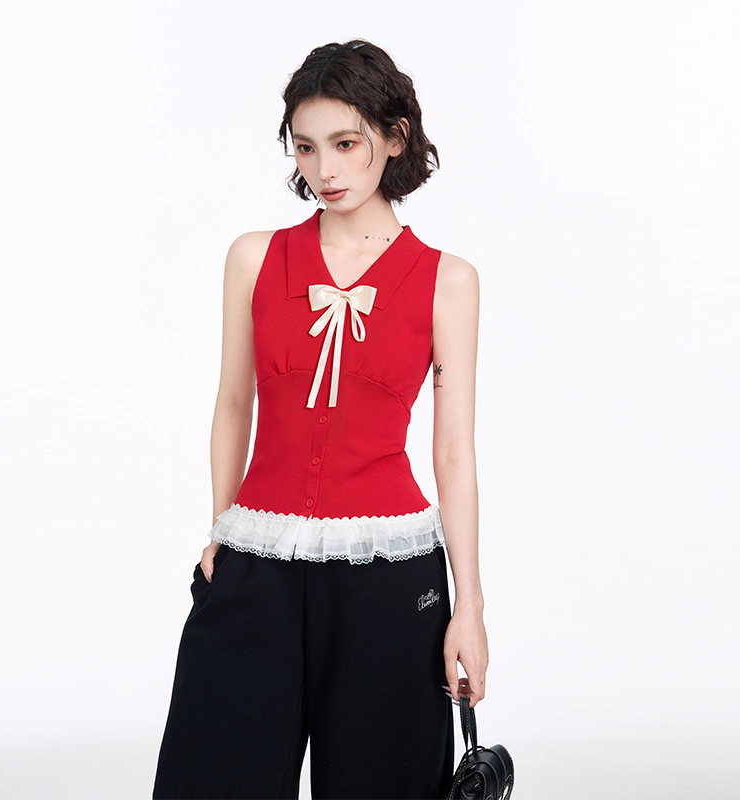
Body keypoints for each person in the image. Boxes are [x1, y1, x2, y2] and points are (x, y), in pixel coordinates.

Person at [152, 39, 486, 800]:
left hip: (389, 574)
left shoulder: (448, 281)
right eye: (305, 147)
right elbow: (233, 401)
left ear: (394, 138)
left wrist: (468, 606)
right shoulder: (254, 258)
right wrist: (220, 526)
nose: (323, 170)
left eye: (345, 144)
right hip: (256, 560)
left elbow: (454, 452)